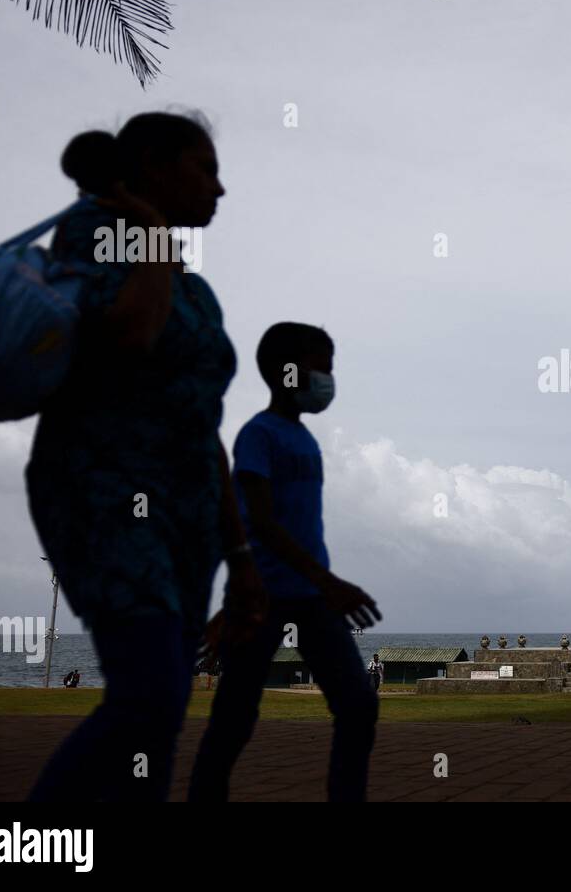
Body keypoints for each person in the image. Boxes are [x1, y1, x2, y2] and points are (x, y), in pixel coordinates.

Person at [27, 113, 266, 802]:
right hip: (105, 496)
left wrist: (241, 555)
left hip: (188, 516)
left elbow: (202, 426)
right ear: (153, 167)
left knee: (159, 725)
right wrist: (154, 235)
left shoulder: (195, 288)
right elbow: (130, 337)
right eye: (205, 169)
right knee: (148, 697)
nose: (220, 189)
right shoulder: (93, 235)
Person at [189, 323, 381, 802]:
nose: (328, 379)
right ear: (286, 371)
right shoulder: (258, 435)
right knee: (234, 720)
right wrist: (328, 581)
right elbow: (260, 521)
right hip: (264, 600)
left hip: (313, 601)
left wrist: (321, 585)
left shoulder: (307, 440)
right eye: (322, 367)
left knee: (358, 705)